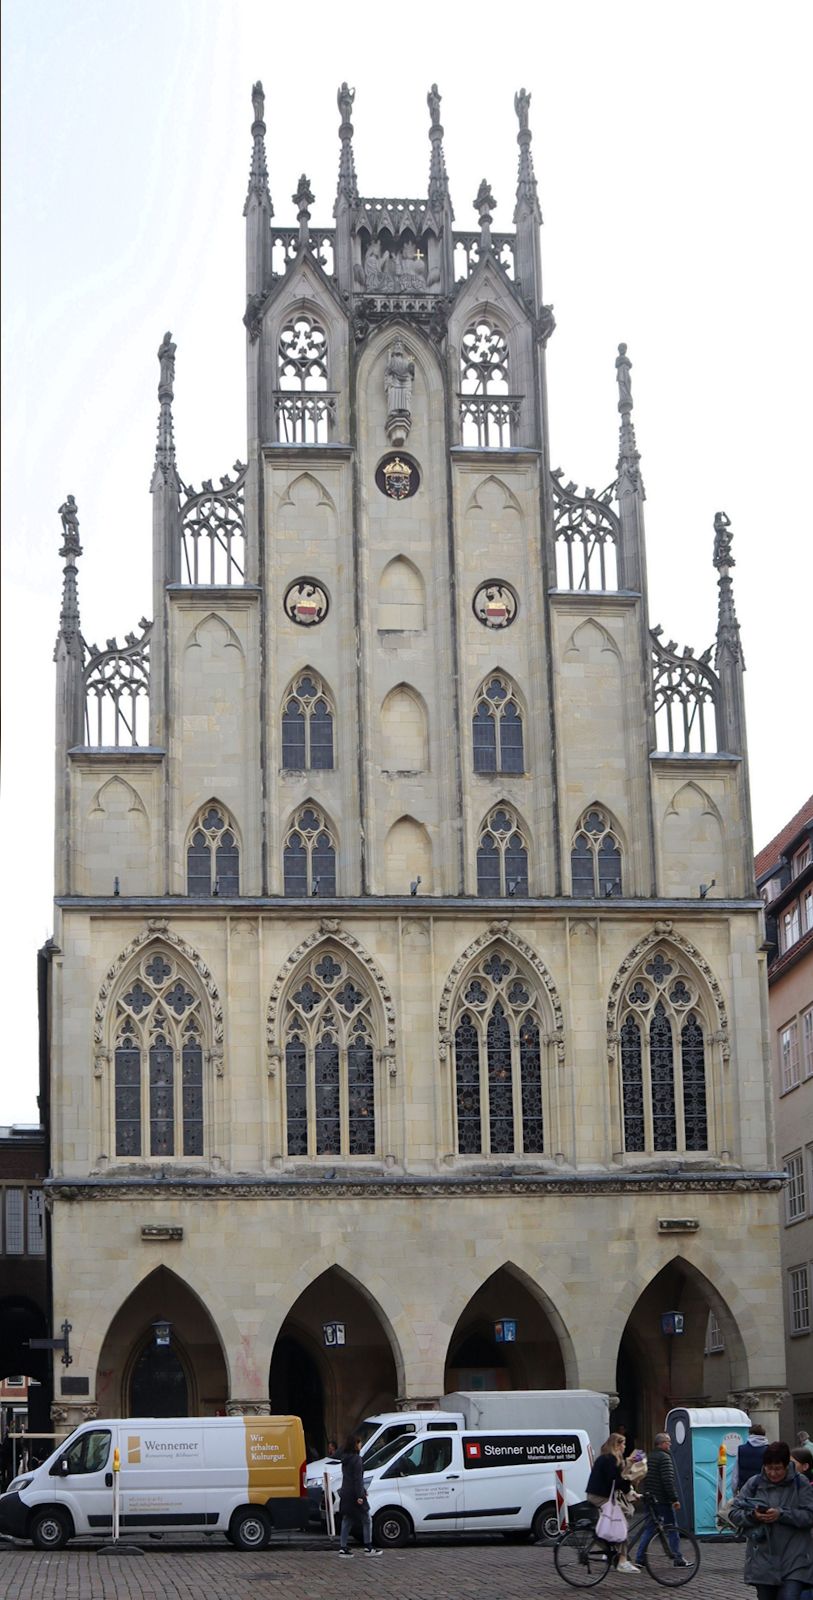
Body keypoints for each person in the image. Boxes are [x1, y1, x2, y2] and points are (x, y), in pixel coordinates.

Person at [730, 1439, 813, 1599]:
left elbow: (809, 1516)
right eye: (769, 1468)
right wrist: (753, 1516)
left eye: (778, 1469)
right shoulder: (754, 1483)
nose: (773, 1473)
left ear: (786, 1465)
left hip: (794, 1559)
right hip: (763, 1561)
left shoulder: (800, 1483)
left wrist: (781, 1514)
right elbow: (734, 1514)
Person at [585, 1432, 639, 1575]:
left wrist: (630, 1491)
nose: (625, 1446)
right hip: (600, 1496)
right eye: (623, 1444)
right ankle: (622, 1561)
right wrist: (629, 1484)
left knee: (623, 1515)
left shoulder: (608, 1458)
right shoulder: (610, 1459)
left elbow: (617, 1478)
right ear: (617, 1445)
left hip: (598, 1494)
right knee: (621, 1525)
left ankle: (608, 1548)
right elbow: (615, 1480)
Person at [634, 1432, 687, 1569]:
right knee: (672, 1528)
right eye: (668, 1441)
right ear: (662, 1443)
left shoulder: (650, 1457)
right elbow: (667, 1480)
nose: (670, 1444)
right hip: (662, 1500)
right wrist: (674, 1499)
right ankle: (677, 1558)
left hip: (650, 1498)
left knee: (650, 1528)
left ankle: (640, 1558)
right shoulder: (665, 1458)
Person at [337, 1434, 382, 1558]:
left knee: (348, 1519)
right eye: (359, 1443)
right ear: (355, 1445)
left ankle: (343, 1546)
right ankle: (368, 1546)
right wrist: (360, 1495)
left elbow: (350, 1478)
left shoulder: (345, 1459)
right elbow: (357, 1479)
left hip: (346, 1492)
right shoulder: (357, 1459)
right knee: (367, 1519)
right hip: (354, 1494)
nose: (361, 1445)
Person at [733, 1424, 769, 1492]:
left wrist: (734, 1490)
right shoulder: (769, 1450)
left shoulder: (741, 1449)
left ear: (750, 1434)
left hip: (744, 1488)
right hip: (763, 1489)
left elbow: (735, 1473)